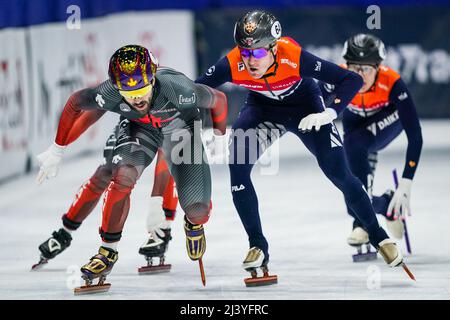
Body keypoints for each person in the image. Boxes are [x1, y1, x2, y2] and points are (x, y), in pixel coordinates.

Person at [196, 10, 407, 279]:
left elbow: (350, 79)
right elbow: (195, 89)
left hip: (306, 109)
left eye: (258, 53)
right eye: (245, 53)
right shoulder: (232, 63)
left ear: (273, 47)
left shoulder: (292, 56)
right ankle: (257, 245)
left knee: (339, 173)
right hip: (262, 111)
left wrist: (331, 112)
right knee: (237, 165)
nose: (250, 60)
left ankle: (379, 236)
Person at [36, 45, 228, 286]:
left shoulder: (180, 90)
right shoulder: (111, 93)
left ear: (153, 79)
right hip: (140, 128)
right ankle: (106, 251)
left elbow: (219, 99)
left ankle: (191, 220)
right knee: (121, 175)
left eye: (141, 88)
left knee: (197, 210)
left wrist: (219, 136)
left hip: (180, 129)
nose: (136, 96)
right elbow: (77, 103)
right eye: (127, 90)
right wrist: (57, 149)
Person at [319, 34, 423, 244]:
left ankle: (361, 223)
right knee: (350, 186)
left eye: (366, 69)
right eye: (354, 68)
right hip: (355, 125)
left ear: (378, 67)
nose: (360, 75)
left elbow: (415, 135)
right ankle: (384, 207)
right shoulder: (336, 78)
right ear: (345, 65)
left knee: (354, 144)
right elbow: (312, 101)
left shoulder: (392, 82)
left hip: (387, 121)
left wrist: (406, 181)